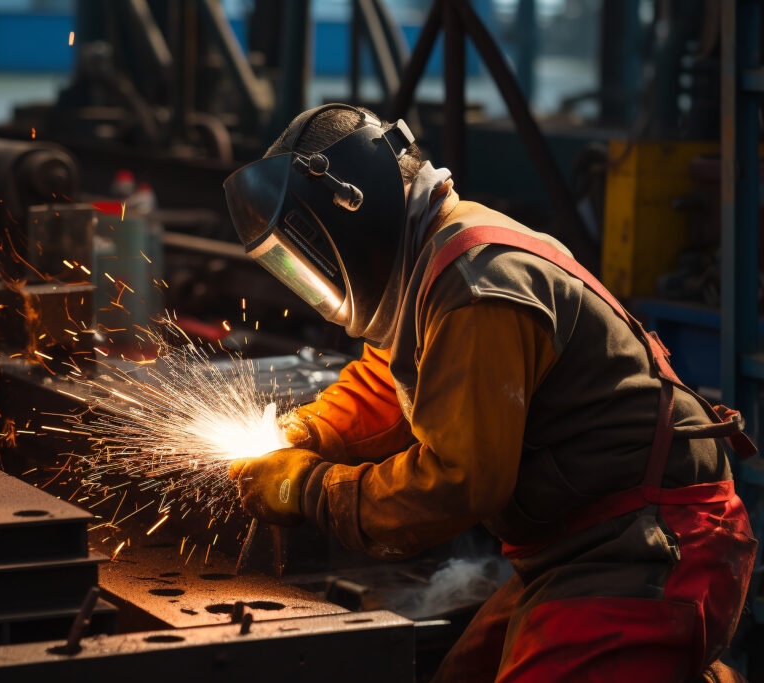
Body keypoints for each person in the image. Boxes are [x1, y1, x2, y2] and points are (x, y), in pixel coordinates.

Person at [222, 104, 758, 682]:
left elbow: (457, 482)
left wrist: (310, 489)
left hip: (648, 543)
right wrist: (306, 434)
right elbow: (394, 381)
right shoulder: (428, 268)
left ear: (354, 209)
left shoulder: (478, 286)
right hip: (572, 545)